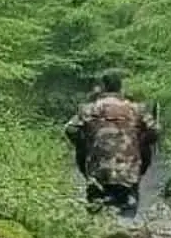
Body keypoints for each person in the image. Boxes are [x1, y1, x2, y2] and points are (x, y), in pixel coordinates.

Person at [64, 72, 160, 215]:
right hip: (129, 172)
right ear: (121, 88)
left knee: (97, 210)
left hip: (98, 170)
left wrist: (86, 145)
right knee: (127, 212)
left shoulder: (90, 108)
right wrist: (139, 144)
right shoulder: (136, 109)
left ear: (102, 87)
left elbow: (70, 129)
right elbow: (155, 131)